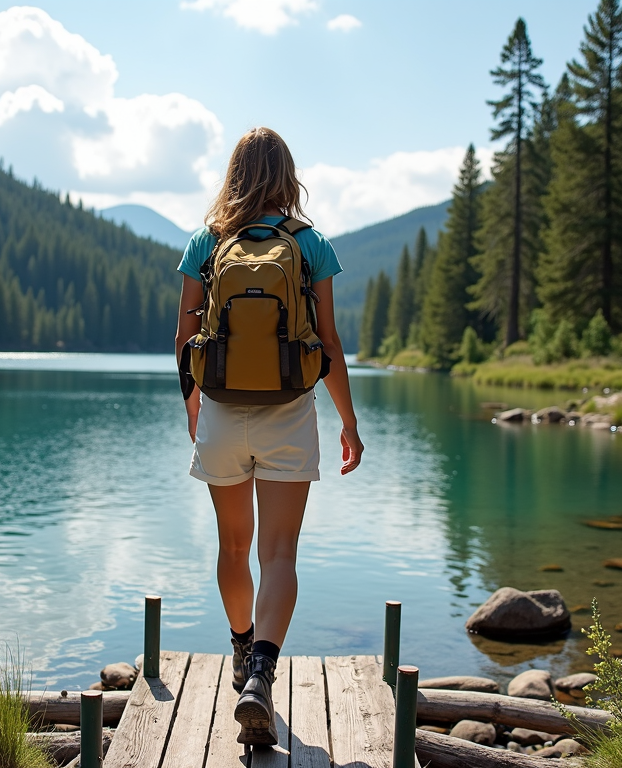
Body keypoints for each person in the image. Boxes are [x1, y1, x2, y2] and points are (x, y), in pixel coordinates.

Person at [175, 127, 363, 745]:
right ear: (288, 174)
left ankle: (239, 651)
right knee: (279, 553)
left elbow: (185, 340)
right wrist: (349, 424)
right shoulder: (312, 246)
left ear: (234, 173)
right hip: (290, 409)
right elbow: (328, 345)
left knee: (234, 549)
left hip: (224, 411)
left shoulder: (207, 242)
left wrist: (194, 408)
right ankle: (262, 672)